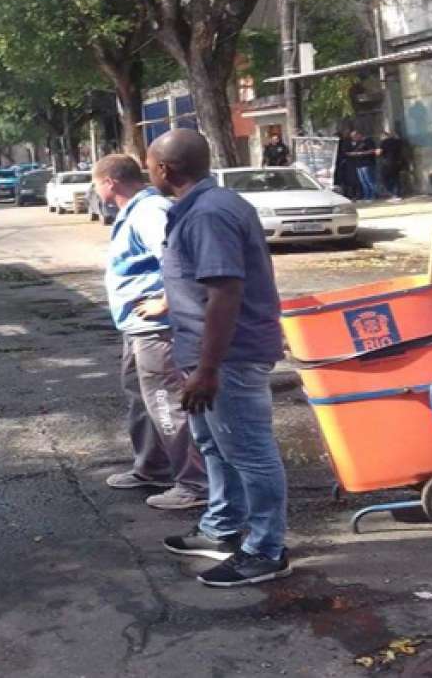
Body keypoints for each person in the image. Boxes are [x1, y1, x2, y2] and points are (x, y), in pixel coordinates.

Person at [144, 128, 290, 588]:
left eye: (150, 164)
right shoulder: (201, 208)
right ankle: (222, 528)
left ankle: (267, 549)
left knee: (249, 452)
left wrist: (208, 370)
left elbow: (225, 292)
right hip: (205, 355)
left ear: (166, 169)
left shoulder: (208, 214)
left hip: (229, 358)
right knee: (212, 444)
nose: (148, 171)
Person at [93, 154, 207, 511]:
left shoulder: (148, 211)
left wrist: (165, 301)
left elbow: (177, 257)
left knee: (166, 402)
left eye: (96, 183)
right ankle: (152, 467)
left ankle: (195, 483)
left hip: (157, 329)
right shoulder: (136, 212)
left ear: (110, 183)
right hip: (136, 326)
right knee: (141, 397)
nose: (95, 191)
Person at [346, 130, 378, 201]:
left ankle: (374, 195)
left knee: (370, 181)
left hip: (367, 164)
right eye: (352, 137)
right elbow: (356, 151)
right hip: (359, 165)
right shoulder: (357, 143)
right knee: (363, 182)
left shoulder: (368, 141)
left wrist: (360, 153)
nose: (353, 138)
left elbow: (373, 151)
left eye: (354, 136)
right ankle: (367, 196)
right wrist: (352, 153)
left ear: (359, 134)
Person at [377, 131, 407, 201]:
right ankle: (398, 195)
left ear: (383, 136)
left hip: (388, 162)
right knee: (396, 178)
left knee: (384, 178)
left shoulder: (384, 142)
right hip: (398, 162)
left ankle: (393, 193)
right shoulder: (398, 141)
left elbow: (378, 153)